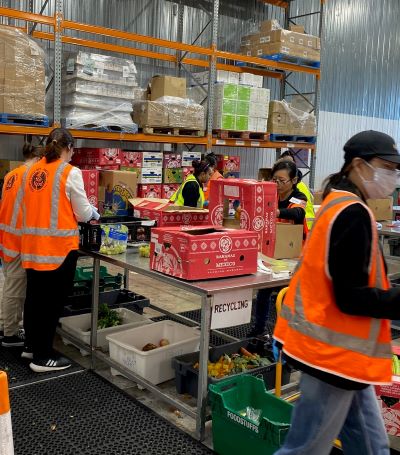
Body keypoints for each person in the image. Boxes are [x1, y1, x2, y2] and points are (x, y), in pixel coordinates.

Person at [273, 130, 400, 455]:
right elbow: (350, 296)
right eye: (387, 166)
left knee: (372, 447)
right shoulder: (352, 214)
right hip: (331, 359)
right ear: (359, 165)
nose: (393, 176)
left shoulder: (337, 203)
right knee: (305, 449)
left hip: (343, 358)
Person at [21, 128, 99, 372]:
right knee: (51, 304)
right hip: (57, 251)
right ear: (69, 148)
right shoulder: (69, 172)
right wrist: (95, 213)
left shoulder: (32, 170)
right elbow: (83, 212)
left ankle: (31, 347)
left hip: (32, 248)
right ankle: (42, 358)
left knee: (34, 299)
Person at [249, 160, 308, 337]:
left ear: (294, 180)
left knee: (291, 296)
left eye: (282, 181)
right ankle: (258, 330)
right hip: (272, 254)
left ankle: (291, 335)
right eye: (275, 180)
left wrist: (276, 212)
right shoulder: (270, 195)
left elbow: (299, 213)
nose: (278, 184)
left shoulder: (298, 197)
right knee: (264, 290)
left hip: (293, 256)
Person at [0, 143, 42, 347]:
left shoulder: (12, 174)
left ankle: (5, 326)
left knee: (10, 286)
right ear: (38, 157)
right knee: (15, 291)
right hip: (18, 241)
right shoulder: (31, 176)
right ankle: (10, 334)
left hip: (7, 237)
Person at [279, 149, 315, 229]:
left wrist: (277, 212)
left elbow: (297, 211)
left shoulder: (297, 187)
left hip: (304, 225)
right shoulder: (285, 186)